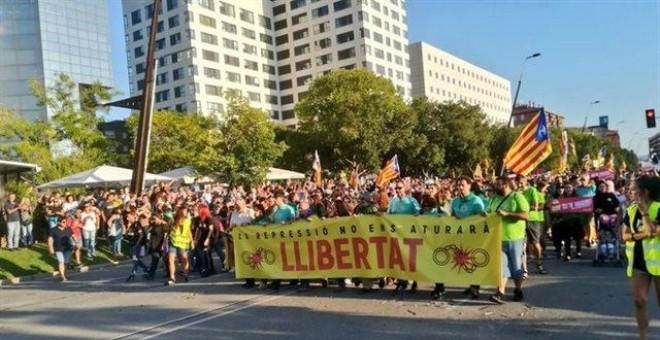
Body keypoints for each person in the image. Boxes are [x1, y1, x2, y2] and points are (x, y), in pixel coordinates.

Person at [621, 175, 660, 340]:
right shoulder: (630, 210)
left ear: (645, 191)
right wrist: (643, 234)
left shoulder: (658, 207)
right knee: (639, 300)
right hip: (638, 261)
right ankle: (642, 336)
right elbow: (624, 235)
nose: (630, 191)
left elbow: (654, 231)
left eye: (634, 188)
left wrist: (644, 212)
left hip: (658, 261)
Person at [488, 177, 529, 304]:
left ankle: (518, 289)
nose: (495, 186)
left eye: (498, 184)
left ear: (505, 185)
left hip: (515, 238)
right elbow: (489, 212)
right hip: (498, 238)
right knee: (501, 266)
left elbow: (526, 215)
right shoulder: (494, 198)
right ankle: (500, 292)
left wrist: (508, 214)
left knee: (516, 266)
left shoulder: (517, 197)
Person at [445, 177, 487, 300]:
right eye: (458, 185)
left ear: (469, 186)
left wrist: (482, 216)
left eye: (463, 185)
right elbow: (452, 216)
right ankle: (471, 284)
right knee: (464, 261)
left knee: (473, 260)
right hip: (460, 236)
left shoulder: (476, 201)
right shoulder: (455, 201)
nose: (460, 187)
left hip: (473, 236)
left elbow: (481, 218)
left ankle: (475, 287)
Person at [388, 182, 421, 294]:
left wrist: (415, 216)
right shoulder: (394, 201)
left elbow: (419, 213)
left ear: (405, 188)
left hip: (410, 234)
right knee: (400, 259)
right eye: (396, 188)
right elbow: (389, 215)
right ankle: (401, 283)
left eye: (399, 188)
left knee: (411, 259)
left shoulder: (412, 201)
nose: (397, 190)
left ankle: (414, 283)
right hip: (397, 234)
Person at [526, 179, 549, 275]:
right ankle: (525, 262)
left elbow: (539, 206)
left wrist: (525, 208)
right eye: (546, 187)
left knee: (536, 241)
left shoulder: (534, 192)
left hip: (536, 219)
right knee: (526, 243)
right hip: (524, 220)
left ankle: (539, 263)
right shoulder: (517, 193)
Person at [166, 207, 194, 286]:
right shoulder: (173, 220)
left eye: (186, 212)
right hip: (173, 242)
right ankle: (172, 278)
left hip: (183, 243)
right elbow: (169, 229)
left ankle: (186, 273)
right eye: (183, 212)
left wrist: (192, 241)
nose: (185, 213)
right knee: (171, 260)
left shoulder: (187, 221)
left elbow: (189, 231)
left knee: (184, 259)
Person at [126, 213, 149, 282]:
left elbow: (141, 235)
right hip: (131, 244)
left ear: (133, 217)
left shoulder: (137, 224)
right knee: (135, 259)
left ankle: (132, 274)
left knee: (134, 260)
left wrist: (137, 244)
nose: (127, 218)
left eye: (129, 217)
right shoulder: (131, 225)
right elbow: (128, 235)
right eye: (127, 217)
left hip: (136, 245)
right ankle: (145, 268)